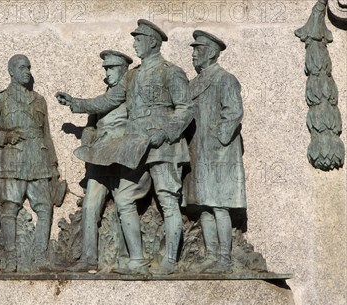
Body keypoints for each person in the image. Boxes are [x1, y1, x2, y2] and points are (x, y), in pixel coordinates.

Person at [57, 20, 194, 275]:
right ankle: (137, 260)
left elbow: (186, 109)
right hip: (135, 148)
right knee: (124, 197)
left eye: (138, 40)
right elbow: (108, 100)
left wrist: (164, 133)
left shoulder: (171, 71)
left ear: (152, 42)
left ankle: (170, 262)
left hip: (164, 147)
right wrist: (76, 102)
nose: (134, 44)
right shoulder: (132, 76)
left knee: (167, 200)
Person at [69, 50, 153, 272]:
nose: (106, 73)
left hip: (123, 158)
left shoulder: (131, 97)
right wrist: (86, 144)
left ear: (124, 71)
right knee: (90, 205)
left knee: (124, 205)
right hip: (98, 158)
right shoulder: (101, 100)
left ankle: (129, 257)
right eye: (105, 69)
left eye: (111, 68)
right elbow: (91, 126)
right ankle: (88, 257)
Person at [0, 54, 61, 272]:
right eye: (22, 67)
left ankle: (40, 256)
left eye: (29, 67)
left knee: (45, 208)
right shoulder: (0, 99)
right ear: (11, 71)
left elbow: (46, 135)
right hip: (11, 162)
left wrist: (53, 166)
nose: (27, 71)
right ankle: (10, 258)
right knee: (9, 209)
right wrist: (4, 138)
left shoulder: (39, 101)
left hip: (37, 161)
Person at [184, 30, 246, 273]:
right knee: (203, 205)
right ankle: (210, 254)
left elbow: (233, 112)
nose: (193, 54)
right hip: (197, 152)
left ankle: (224, 257)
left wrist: (217, 139)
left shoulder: (225, 79)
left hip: (218, 154)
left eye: (197, 50)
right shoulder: (192, 84)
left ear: (210, 53)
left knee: (219, 205)